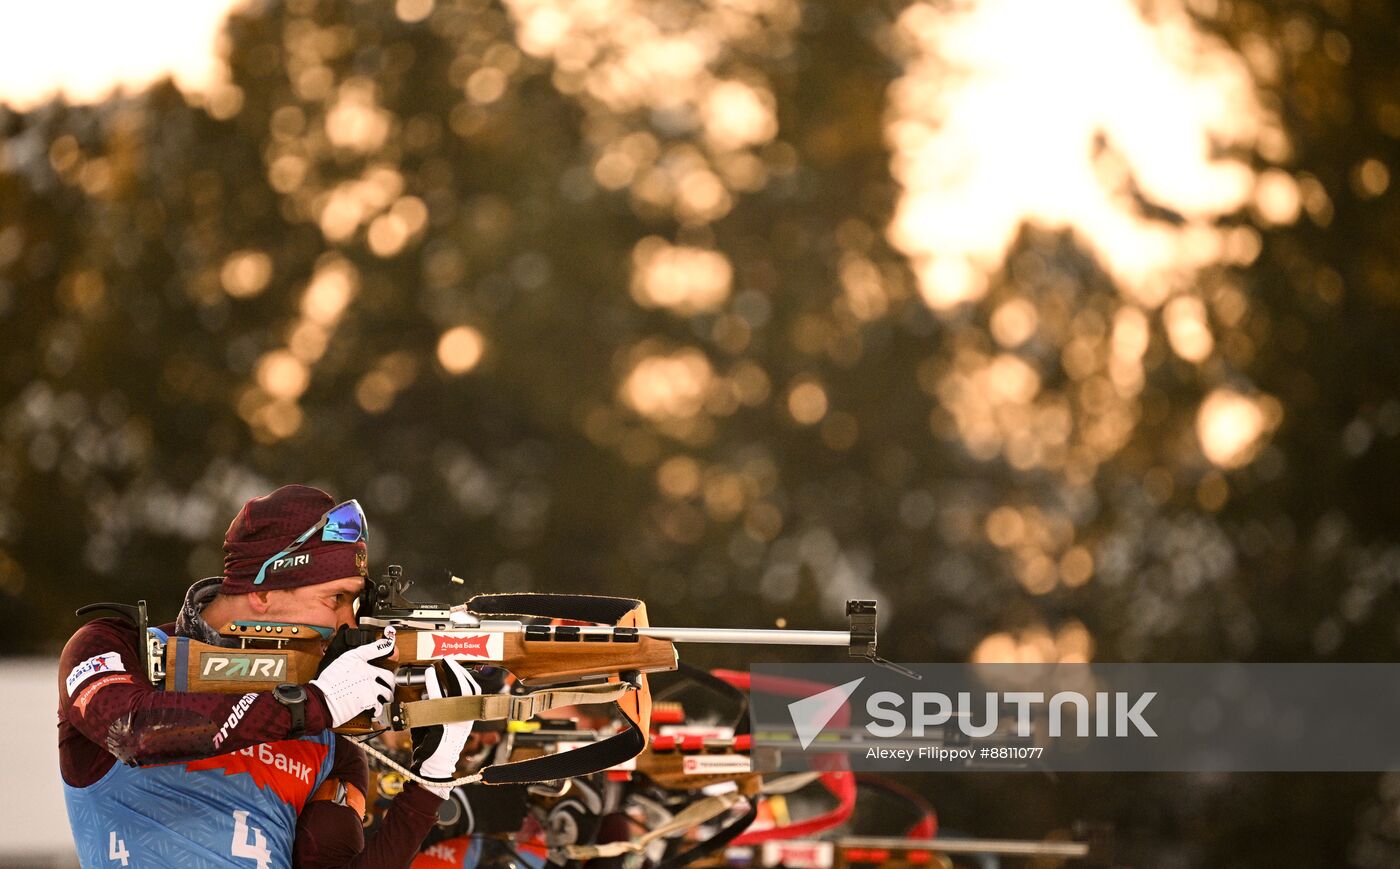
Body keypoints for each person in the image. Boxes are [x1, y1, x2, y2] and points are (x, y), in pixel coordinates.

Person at [57, 484, 477, 868]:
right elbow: (135, 732)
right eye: (336, 598)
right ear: (261, 592)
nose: (349, 621)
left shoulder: (330, 733)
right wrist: (313, 705)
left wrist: (432, 779)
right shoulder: (117, 648)